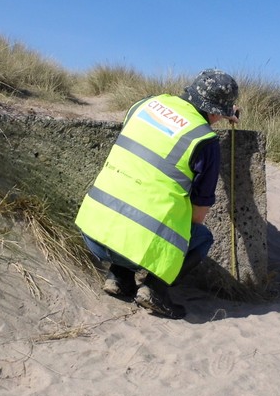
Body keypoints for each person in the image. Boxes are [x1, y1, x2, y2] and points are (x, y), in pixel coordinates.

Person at [75, 69, 240, 318]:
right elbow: (197, 216)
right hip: (132, 245)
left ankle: (119, 277)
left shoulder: (145, 104)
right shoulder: (205, 141)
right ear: (217, 111)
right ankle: (154, 290)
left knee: (132, 207)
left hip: (93, 232)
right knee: (201, 237)